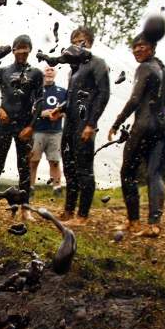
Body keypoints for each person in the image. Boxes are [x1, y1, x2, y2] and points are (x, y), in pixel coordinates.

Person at [109, 32, 165, 237]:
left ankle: (133, 221)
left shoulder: (144, 67)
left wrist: (117, 122)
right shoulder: (164, 70)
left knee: (128, 173)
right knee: (155, 173)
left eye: (141, 46)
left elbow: (135, 100)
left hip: (145, 125)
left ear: (152, 47)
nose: (137, 50)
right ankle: (154, 224)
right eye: (134, 47)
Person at [0, 34, 43, 222]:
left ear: (30, 50)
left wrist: (32, 127)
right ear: (13, 50)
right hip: (4, 126)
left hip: (24, 128)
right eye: (19, 48)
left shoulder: (36, 74)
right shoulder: (2, 72)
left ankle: (25, 209)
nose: (22, 52)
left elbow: (40, 102)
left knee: (24, 168)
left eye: (26, 48)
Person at [52, 26, 110, 226]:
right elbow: (71, 98)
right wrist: (59, 109)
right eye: (75, 41)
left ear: (90, 43)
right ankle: (69, 210)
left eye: (82, 40)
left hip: (85, 124)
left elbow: (103, 95)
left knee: (84, 169)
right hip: (70, 124)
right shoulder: (73, 70)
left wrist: (91, 124)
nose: (78, 44)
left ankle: (83, 215)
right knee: (69, 167)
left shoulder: (98, 64)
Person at [29, 66, 67, 194]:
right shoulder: (35, 91)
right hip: (37, 131)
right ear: (42, 73)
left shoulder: (62, 92)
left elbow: (68, 110)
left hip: (55, 132)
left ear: (55, 73)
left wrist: (58, 114)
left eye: (52, 69)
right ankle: (30, 187)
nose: (49, 72)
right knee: (33, 160)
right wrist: (41, 113)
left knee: (55, 161)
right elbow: (29, 110)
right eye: (47, 70)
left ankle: (57, 187)